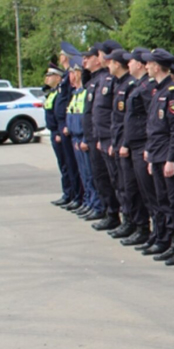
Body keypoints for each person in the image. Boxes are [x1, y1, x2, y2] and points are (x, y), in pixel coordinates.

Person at [144, 48, 174, 266]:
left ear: (157, 66)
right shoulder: (158, 91)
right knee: (164, 201)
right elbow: (153, 126)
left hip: (169, 156)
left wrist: (171, 158)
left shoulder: (172, 92)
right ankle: (173, 242)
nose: (146, 66)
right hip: (158, 154)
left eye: (149, 63)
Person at [106, 48, 150, 244]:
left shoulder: (134, 85)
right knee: (123, 185)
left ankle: (141, 225)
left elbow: (134, 121)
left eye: (131, 61)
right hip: (121, 142)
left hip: (132, 145)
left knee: (134, 188)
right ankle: (131, 221)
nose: (128, 64)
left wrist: (124, 143)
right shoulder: (124, 85)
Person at [121, 48, 162, 250]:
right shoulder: (139, 85)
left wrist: (148, 146)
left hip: (143, 145)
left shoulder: (148, 88)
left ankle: (159, 233)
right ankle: (151, 231)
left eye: (131, 62)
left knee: (151, 194)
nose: (127, 64)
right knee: (142, 192)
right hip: (134, 144)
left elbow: (151, 119)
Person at [90, 41, 124, 231]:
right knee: (103, 178)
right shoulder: (102, 78)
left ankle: (122, 217)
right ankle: (111, 213)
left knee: (119, 183)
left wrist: (112, 139)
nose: (99, 58)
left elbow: (115, 113)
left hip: (111, 138)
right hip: (101, 137)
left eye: (102, 54)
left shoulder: (113, 80)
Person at [81, 44, 116, 225]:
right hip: (95, 135)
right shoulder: (95, 79)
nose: (84, 60)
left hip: (104, 136)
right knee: (99, 176)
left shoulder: (107, 78)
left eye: (90, 56)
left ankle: (112, 214)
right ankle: (106, 210)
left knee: (109, 178)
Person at [65, 55, 102, 219]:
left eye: (73, 72)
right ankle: (88, 202)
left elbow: (88, 119)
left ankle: (96, 204)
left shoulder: (86, 91)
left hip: (83, 138)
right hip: (76, 138)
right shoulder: (77, 93)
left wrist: (86, 139)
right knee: (84, 175)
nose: (70, 76)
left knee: (91, 175)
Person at [44, 63, 79, 208]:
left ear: (58, 77)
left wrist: (59, 131)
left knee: (69, 165)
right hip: (54, 130)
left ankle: (73, 195)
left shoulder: (62, 91)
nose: (46, 78)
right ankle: (68, 193)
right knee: (64, 165)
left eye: (49, 75)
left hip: (59, 131)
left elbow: (61, 113)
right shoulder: (53, 92)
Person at [55, 43, 83, 211]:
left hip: (68, 127)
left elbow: (66, 102)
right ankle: (73, 195)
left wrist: (65, 124)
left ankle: (77, 196)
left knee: (73, 166)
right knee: (68, 165)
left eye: (61, 54)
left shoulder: (67, 78)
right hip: (63, 126)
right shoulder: (65, 77)